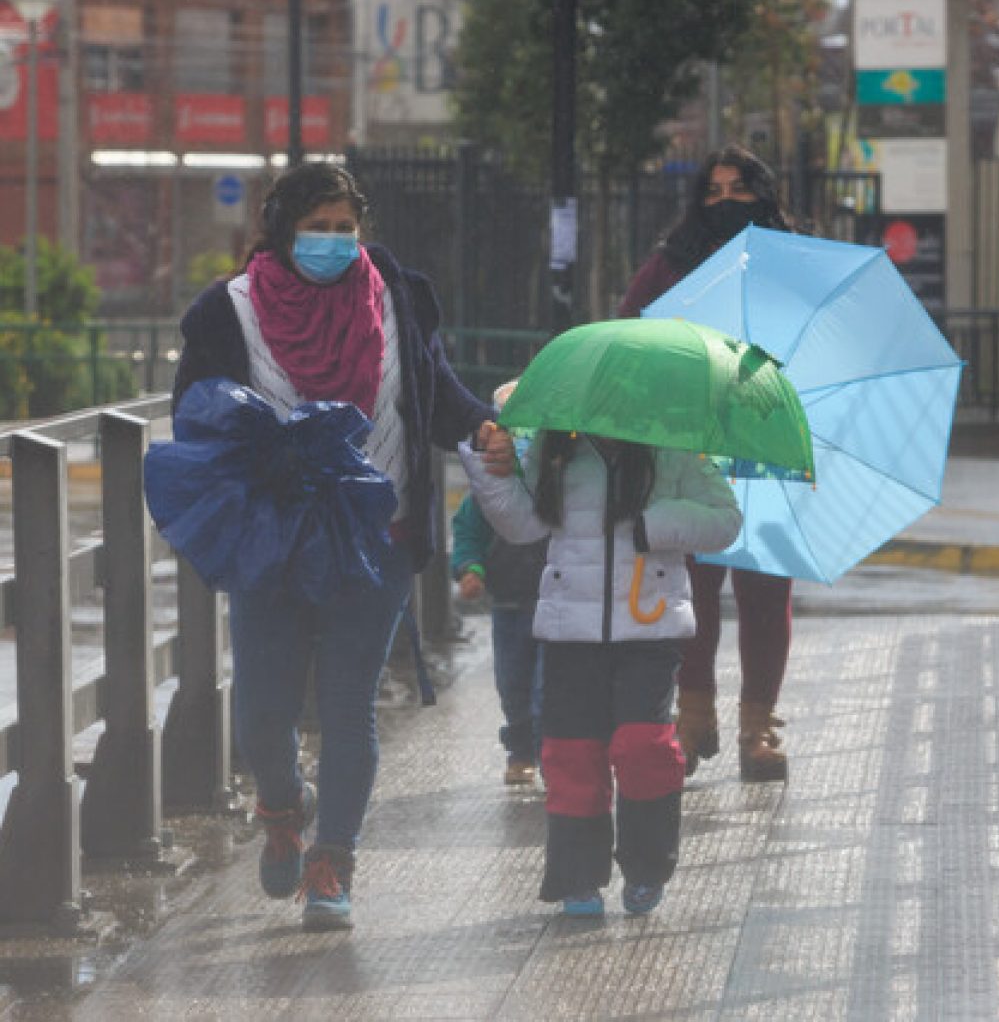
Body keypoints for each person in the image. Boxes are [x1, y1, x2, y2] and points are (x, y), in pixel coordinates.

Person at [173, 161, 501, 932]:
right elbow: (195, 416)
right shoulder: (228, 311)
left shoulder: (395, 298)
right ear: (281, 230)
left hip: (377, 535)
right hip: (272, 540)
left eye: (343, 227)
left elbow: (433, 390)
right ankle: (283, 806)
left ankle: (333, 863)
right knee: (263, 711)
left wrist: (481, 426)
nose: (331, 241)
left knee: (350, 704)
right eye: (315, 228)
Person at [460, 428, 741, 917]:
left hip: (649, 629)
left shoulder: (674, 445)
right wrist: (491, 471)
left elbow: (725, 521)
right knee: (572, 754)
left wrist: (657, 525)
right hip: (570, 629)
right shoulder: (555, 444)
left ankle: (647, 866)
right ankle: (578, 877)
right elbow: (521, 524)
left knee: (644, 747)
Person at [618, 142, 799, 784]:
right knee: (693, 590)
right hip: (690, 446)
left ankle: (759, 728)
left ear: (763, 195)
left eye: (739, 189)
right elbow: (630, 330)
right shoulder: (672, 264)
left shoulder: (790, 266)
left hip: (768, 443)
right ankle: (693, 721)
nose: (726, 201)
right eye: (714, 191)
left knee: (765, 589)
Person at [451, 381, 547, 785]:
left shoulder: (553, 486)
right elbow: (468, 534)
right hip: (509, 605)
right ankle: (520, 750)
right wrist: (470, 569)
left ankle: (548, 753)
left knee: (548, 687)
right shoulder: (486, 493)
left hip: (552, 604)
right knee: (513, 684)